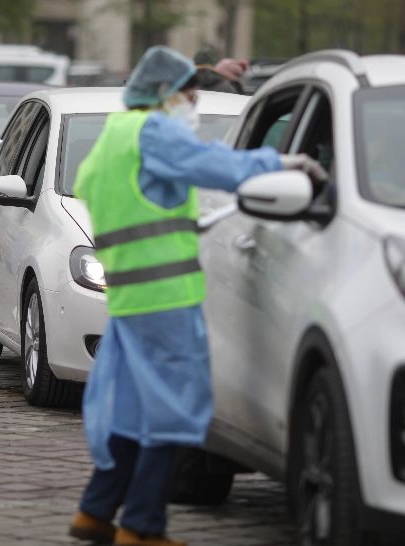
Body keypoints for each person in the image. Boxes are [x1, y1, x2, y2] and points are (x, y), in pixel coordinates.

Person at [67, 46, 325, 546]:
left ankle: (95, 512)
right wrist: (282, 161)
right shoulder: (154, 131)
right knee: (172, 411)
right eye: (189, 94)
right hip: (166, 300)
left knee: (131, 410)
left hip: (130, 299)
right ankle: (142, 527)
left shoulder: (115, 135)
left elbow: (125, 202)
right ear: (164, 92)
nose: (193, 104)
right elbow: (212, 164)